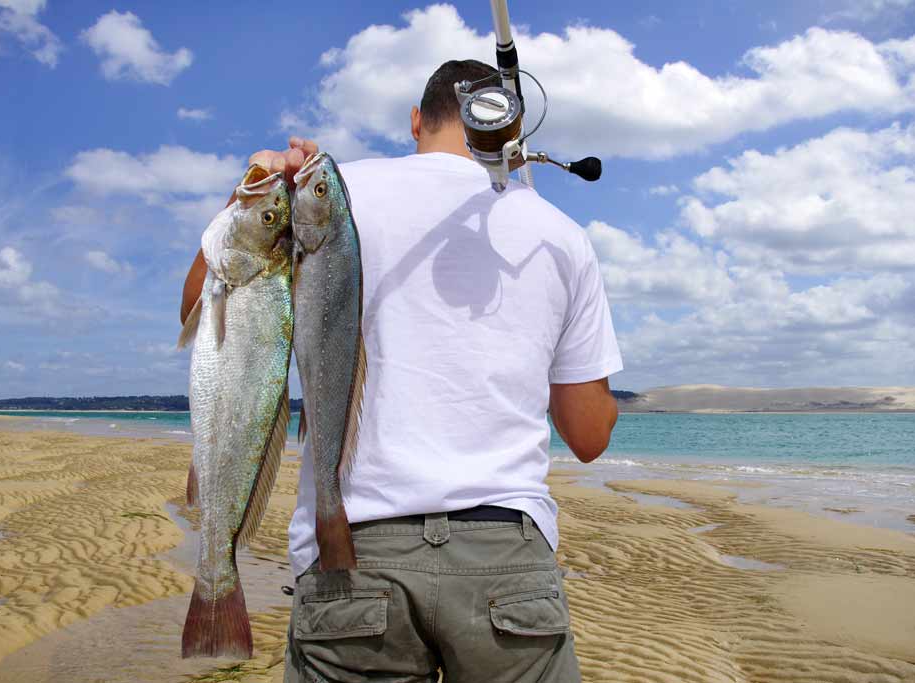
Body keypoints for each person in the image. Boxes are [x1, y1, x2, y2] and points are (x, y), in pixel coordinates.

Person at [179, 59, 622, 682]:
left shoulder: (327, 190)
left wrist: (247, 188)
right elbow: (589, 435)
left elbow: (202, 302)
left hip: (352, 552)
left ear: (416, 120)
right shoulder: (562, 236)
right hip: (506, 559)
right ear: (510, 136)